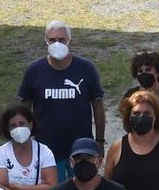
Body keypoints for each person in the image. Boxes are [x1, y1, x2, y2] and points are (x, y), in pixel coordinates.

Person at [16, 20, 105, 163]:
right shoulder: (34, 71)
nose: (57, 44)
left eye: (62, 39)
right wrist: (23, 140)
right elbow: (23, 109)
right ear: (46, 41)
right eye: (52, 40)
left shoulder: (86, 69)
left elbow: (98, 106)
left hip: (81, 150)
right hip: (46, 150)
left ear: (70, 41)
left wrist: (99, 141)